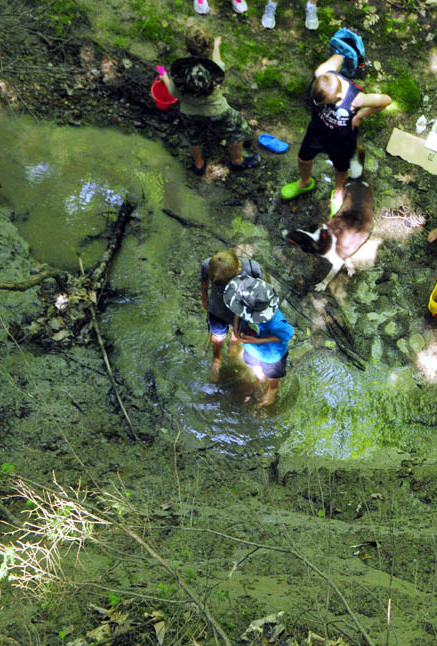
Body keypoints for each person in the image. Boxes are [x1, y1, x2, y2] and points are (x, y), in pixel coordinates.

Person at [280, 53, 391, 214]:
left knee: (341, 169)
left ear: (338, 97)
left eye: (323, 103)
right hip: (317, 129)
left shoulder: (357, 100)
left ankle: (338, 193)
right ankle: (305, 183)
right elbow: (339, 56)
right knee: (303, 158)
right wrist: (342, 54)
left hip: (342, 139)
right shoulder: (322, 72)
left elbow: (385, 100)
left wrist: (360, 115)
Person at [159, 20, 259, 175]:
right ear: (209, 48)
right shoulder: (215, 70)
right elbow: (219, 62)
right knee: (238, 129)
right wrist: (217, 47)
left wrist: (164, 76)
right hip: (217, 110)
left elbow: (172, 92)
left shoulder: (182, 74)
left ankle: (198, 164)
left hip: (190, 113)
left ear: (186, 48)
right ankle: (237, 161)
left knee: (194, 136)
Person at [224, 278, 294, 407]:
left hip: (272, 357)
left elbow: (288, 333)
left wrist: (259, 340)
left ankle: (265, 402)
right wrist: (235, 326)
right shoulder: (244, 308)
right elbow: (238, 313)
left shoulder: (275, 320)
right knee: (258, 372)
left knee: (273, 383)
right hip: (252, 351)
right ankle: (260, 381)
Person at [200, 250, 263, 380]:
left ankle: (232, 348)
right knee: (218, 336)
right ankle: (217, 357)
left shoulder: (252, 268)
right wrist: (204, 297)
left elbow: (261, 288)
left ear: (238, 270)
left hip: (239, 312)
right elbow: (204, 281)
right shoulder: (208, 264)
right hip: (217, 310)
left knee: (236, 332)